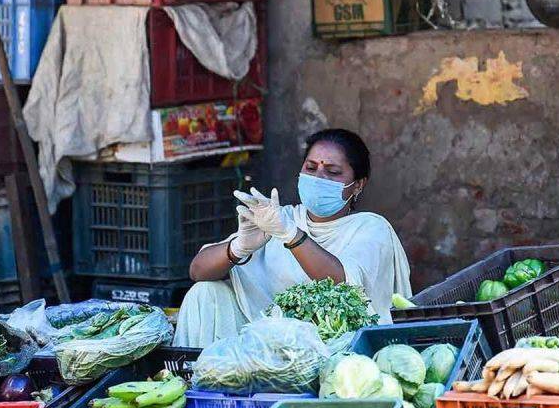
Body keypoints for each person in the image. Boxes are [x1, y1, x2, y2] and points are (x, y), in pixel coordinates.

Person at [173, 128, 412, 347]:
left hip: (334, 347)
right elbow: (197, 271)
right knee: (203, 293)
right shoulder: (280, 218)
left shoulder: (370, 228)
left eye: (332, 171)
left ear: (358, 185)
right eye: (311, 168)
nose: (319, 177)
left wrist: (291, 235)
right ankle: (202, 384)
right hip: (262, 341)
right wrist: (239, 247)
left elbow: (345, 284)